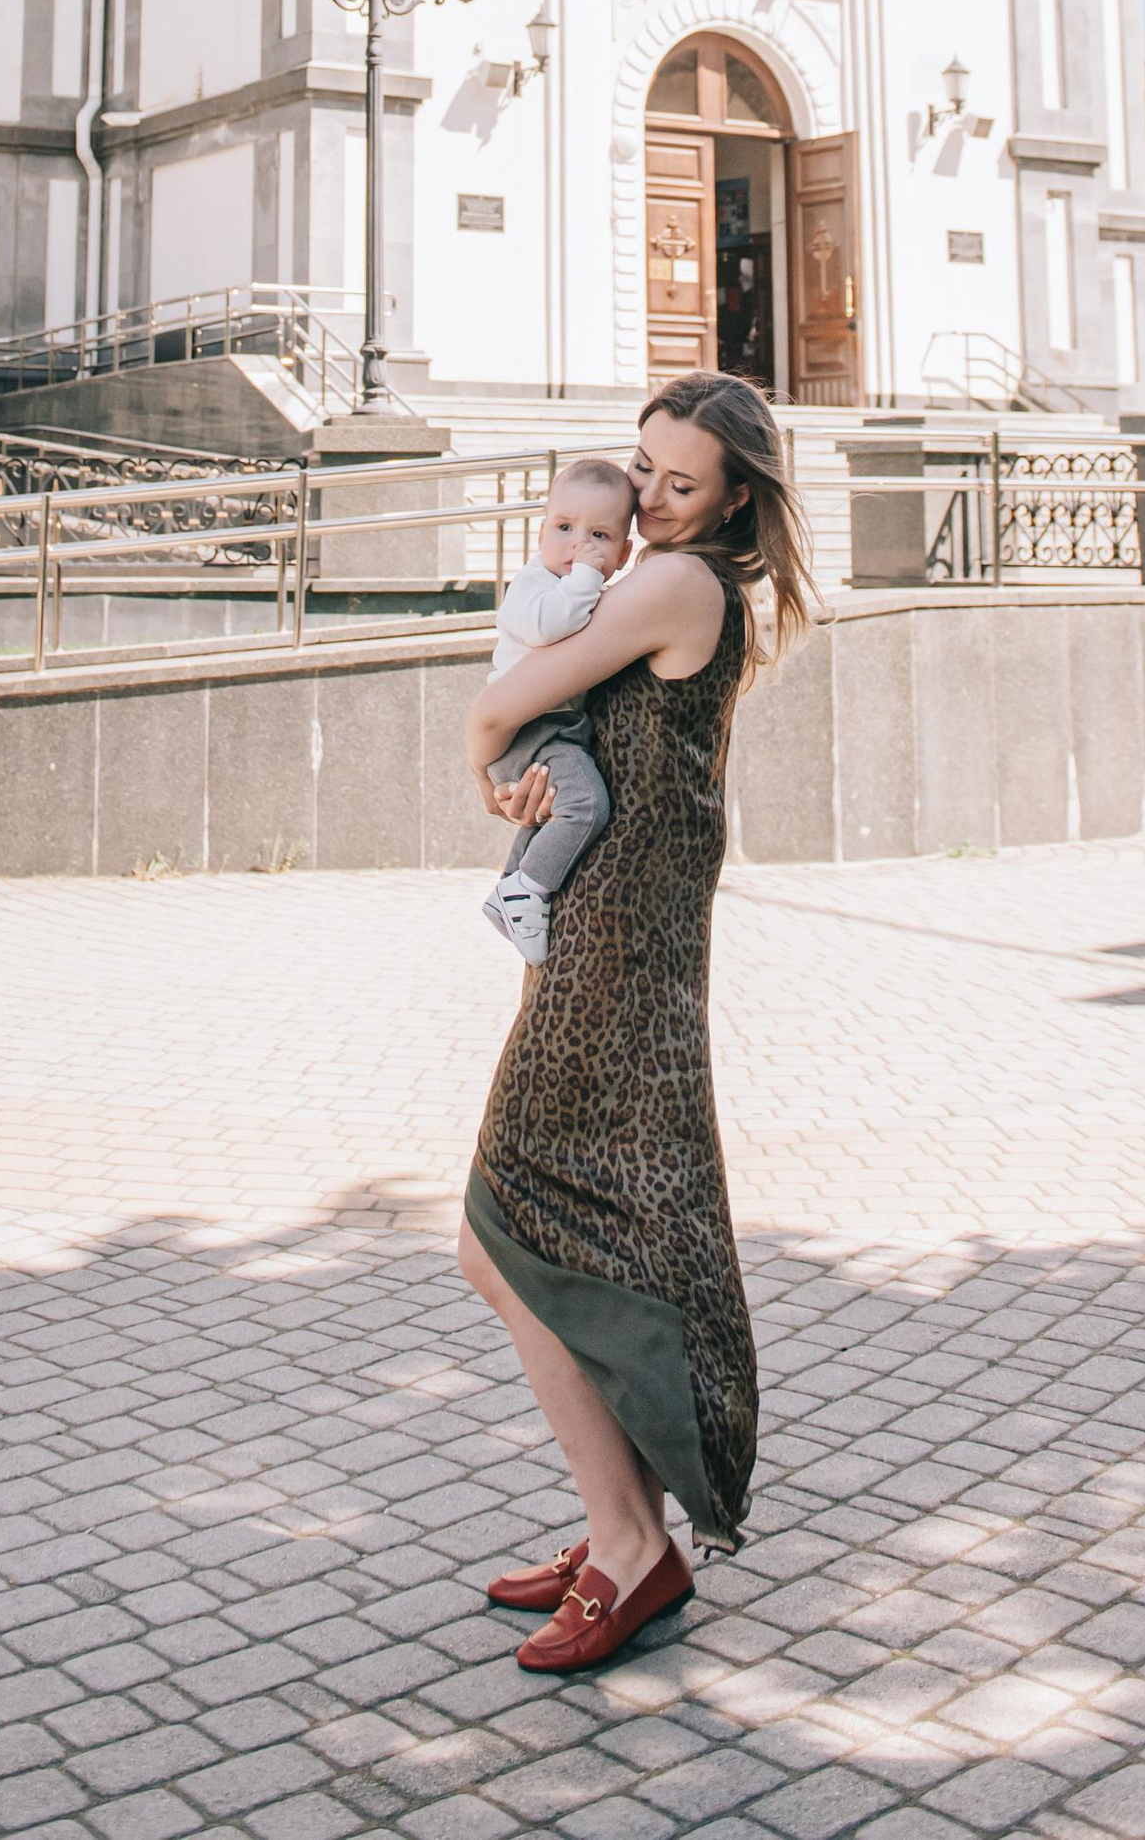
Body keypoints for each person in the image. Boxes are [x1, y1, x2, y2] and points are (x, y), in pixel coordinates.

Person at [457, 371, 817, 1675]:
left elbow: (502, 702)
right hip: (626, 929)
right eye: (644, 468)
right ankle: (622, 1528)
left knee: (501, 1233)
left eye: (680, 482)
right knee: (578, 1224)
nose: (651, 499)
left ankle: (628, 1540)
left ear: (733, 496)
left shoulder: (675, 583)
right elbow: (579, 728)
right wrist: (533, 786)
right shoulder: (687, 583)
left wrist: (490, 750)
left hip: (617, 948)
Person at [479, 456, 637, 963]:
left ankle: (509, 888)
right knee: (584, 806)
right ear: (542, 530)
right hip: (530, 729)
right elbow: (548, 627)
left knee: (548, 814)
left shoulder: (584, 589)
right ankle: (528, 890)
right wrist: (589, 579)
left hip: (551, 727)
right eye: (565, 527)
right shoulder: (534, 585)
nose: (579, 546)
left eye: (599, 537)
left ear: (625, 552)